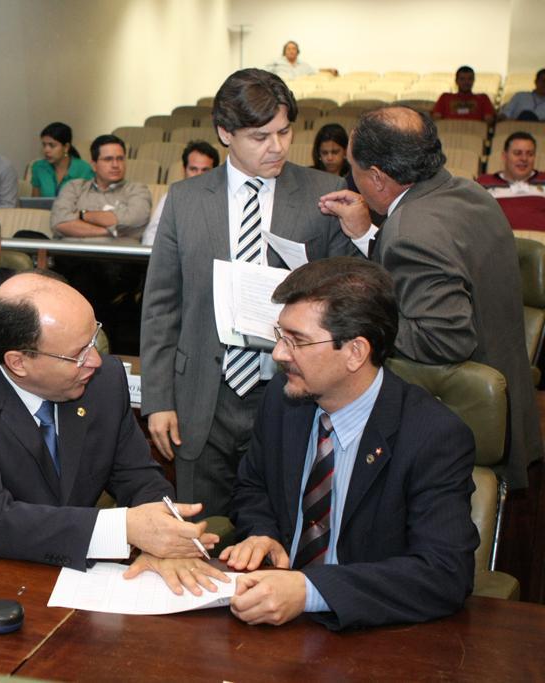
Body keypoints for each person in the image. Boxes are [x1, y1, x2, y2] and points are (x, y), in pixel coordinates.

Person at [0, 271, 228, 594]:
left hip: (82, 581)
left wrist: (165, 538)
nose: (94, 360)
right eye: (77, 353)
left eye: (94, 339)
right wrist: (125, 529)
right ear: (18, 362)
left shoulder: (103, 380)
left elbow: (139, 478)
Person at [140, 68, 356, 518]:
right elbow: (162, 307)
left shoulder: (326, 193)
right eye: (260, 137)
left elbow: (352, 295)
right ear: (225, 133)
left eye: (284, 132)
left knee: (281, 527)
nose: (276, 147)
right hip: (204, 395)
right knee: (202, 534)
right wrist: (158, 399)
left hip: (291, 392)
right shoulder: (185, 199)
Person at [220, 257, 478, 630]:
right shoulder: (283, 399)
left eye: (298, 341)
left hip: (372, 635)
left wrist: (310, 590)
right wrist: (263, 534)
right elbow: (253, 487)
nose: (278, 354)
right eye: (280, 335)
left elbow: (444, 573)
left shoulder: (432, 435)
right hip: (272, 619)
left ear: (356, 352)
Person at [318, 105, 542, 490]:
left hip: (459, 426)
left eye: (353, 167)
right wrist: (369, 235)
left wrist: (362, 322)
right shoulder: (469, 191)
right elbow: (433, 266)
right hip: (512, 411)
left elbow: (445, 338)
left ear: (376, 176)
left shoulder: (410, 230)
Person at [50, 134, 151, 240]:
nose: (115, 165)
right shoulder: (74, 187)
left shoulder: (137, 190)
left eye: (120, 159)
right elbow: (59, 222)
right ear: (94, 165)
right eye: (108, 159)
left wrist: (82, 215)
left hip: (116, 255)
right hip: (71, 254)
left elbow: (134, 220)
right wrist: (110, 231)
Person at [142, 140, 220, 246]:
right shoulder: (171, 198)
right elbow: (152, 235)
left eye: (205, 170)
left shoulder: (224, 200)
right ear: (184, 170)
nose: (199, 176)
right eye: (193, 169)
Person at [477, 132, 545, 230]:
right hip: (496, 244)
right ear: (504, 156)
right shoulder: (484, 183)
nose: (524, 158)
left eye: (530, 154)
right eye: (517, 153)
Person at [30, 122, 95, 198]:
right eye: (44, 145)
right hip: (44, 210)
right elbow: (34, 203)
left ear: (66, 147)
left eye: (52, 145)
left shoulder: (84, 169)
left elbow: (90, 202)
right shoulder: (38, 167)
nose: (46, 150)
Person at [431, 66, 495, 122]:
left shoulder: (483, 98)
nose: (466, 82)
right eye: (462, 79)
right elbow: (436, 119)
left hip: (475, 133)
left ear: (473, 80)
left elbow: (489, 120)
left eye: (469, 79)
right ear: (456, 81)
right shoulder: (445, 97)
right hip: (448, 132)